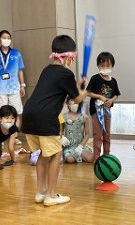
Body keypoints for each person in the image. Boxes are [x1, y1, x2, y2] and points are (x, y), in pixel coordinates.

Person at [21, 35, 87, 207]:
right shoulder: (66, 74)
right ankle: (51, 194)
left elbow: (62, 94)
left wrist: (76, 87)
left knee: (44, 153)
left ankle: (40, 192)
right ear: (69, 56)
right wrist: (85, 91)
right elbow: (77, 100)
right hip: (45, 117)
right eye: (73, 57)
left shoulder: (47, 70)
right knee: (56, 154)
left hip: (28, 115)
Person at [0, 30, 26, 145]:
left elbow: (20, 70)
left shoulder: (16, 53)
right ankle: (1, 136)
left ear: (10, 39)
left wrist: (22, 85)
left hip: (14, 88)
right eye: (4, 37)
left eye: (8, 37)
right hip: (0, 88)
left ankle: (14, 135)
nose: (6, 39)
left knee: (17, 112)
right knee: (0, 114)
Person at [86, 52, 121, 160]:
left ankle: (107, 156)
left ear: (112, 66)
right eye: (102, 65)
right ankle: (97, 157)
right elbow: (88, 93)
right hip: (96, 111)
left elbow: (117, 94)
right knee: (98, 134)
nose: (105, 68)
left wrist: (111, 100)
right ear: (98, 66)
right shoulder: (95, 78)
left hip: (107, 111)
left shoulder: (113, 80)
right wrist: (100, 97)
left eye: (107, 65)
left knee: (107, 134)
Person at [62, 97, 94, 163]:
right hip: (69, 147)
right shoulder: (64, 116)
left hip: (80, 146)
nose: (75, 101)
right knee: (70, 160)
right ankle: (76, 156)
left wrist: (81, 146)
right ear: (68, 103)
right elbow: (60, 132)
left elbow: (87, 134)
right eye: (72, 100)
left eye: (77, 100)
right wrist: (62, 137)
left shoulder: (85, 117)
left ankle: (78, 155)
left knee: (91, 158)